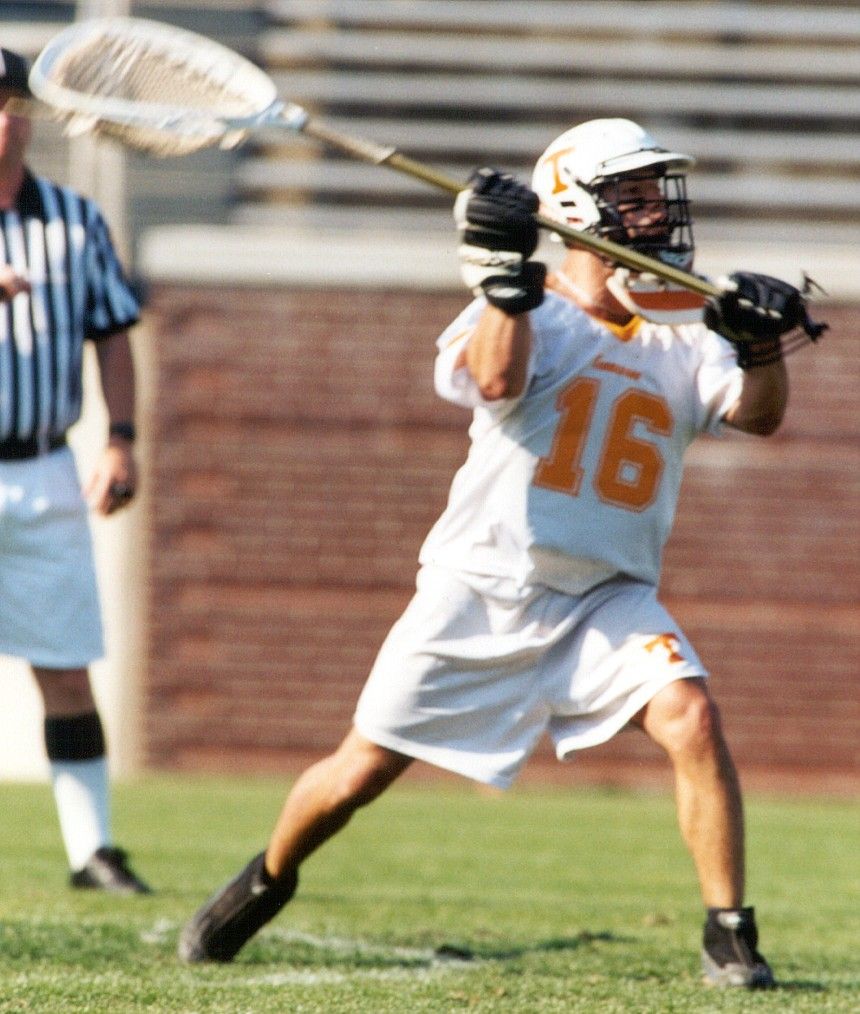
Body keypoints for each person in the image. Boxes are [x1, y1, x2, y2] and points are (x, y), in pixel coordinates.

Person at [179, 118, 825, 984]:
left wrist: (760, 347)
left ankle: (729, 933)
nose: (654, 213)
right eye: (631, 196)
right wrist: (504, 285)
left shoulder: (683, 327)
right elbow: (494, 380)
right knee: (360, 771)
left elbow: (760, 415)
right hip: (483, 588)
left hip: (606, 595)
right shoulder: (533, 307)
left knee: (692, 718)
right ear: (574, 209)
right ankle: (266, 878)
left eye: (654, 195)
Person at [0, 49, 150, 894]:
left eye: (11, 103)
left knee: (63, 666)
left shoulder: (74, 221)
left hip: (43, 465)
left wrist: (121, 437)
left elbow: (113, 334)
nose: (0, 120)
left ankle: (92, 848)